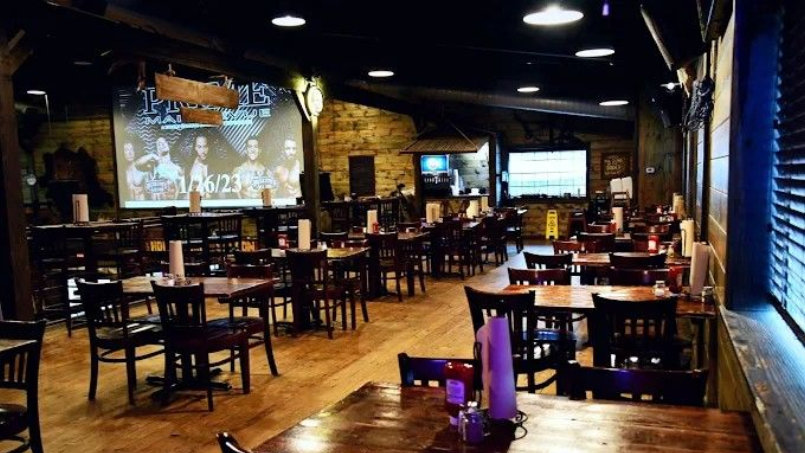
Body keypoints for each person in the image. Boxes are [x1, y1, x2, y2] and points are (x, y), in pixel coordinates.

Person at [149, 136, 183, 200]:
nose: (163, 144)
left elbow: (179, 189)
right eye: (159, 144)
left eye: (164, 142)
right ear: (157, 150)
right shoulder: (154, 165)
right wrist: (153, 156)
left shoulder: (177, 168)